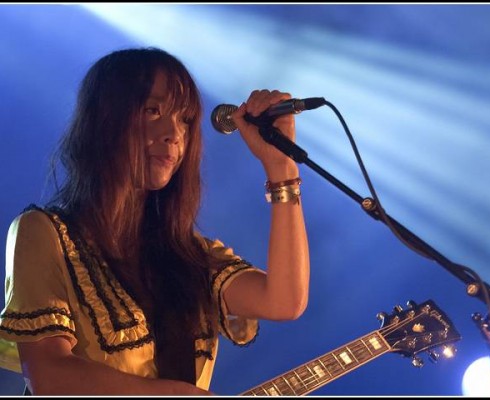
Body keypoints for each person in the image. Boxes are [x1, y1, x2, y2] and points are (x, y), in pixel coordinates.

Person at [0, 47, 310, 395]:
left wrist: (282, 170)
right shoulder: (43, 232)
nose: (173, 133)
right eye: (153, 110)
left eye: (185, 119)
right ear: (106, 119)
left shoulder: (192, 254)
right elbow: (49, 375)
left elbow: (285, 301)